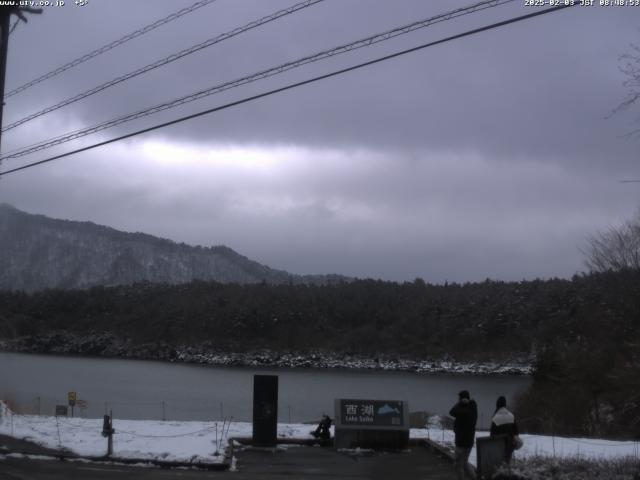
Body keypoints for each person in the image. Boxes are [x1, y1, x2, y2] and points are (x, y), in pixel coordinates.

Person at [449, 390, 478, 480]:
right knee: (464, 463)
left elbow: (452, 412)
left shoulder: (463, 410)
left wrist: (460, 404)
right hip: (469, 442)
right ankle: (475, 478)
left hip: (461, 442)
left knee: (458, 465)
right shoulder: (473, 408)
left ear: (461, 399)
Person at [490, 395, 519, 464]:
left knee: (499, 463)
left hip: (498, 445)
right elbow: (516, 432)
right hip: (509, 445)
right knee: (507, 462)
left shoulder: (496, 417)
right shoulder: (511, 415)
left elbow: (492, 434)